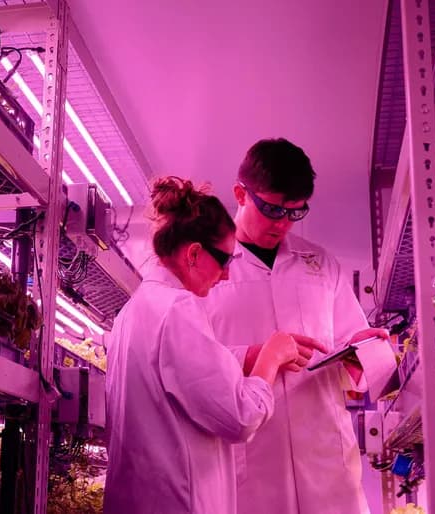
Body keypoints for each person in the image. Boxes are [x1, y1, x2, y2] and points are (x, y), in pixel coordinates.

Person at [104, 176, 325, 514]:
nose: (225, 275)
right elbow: (240, 417)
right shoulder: (179, 309)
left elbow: (182, 371)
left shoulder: (135, 311)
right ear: (193, 253)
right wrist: (270, 358)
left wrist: (249, 354)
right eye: (224, 260)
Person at [202, 138, 395, 514]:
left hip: (326, 457)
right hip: (249, 458)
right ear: (240, 194)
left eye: (295, 212)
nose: (283, 224)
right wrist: (253, 357)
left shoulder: (321, 265)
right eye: (273, 210)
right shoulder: (207, 267)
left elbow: (346, 345)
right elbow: (187, 360)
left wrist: (359, 352)